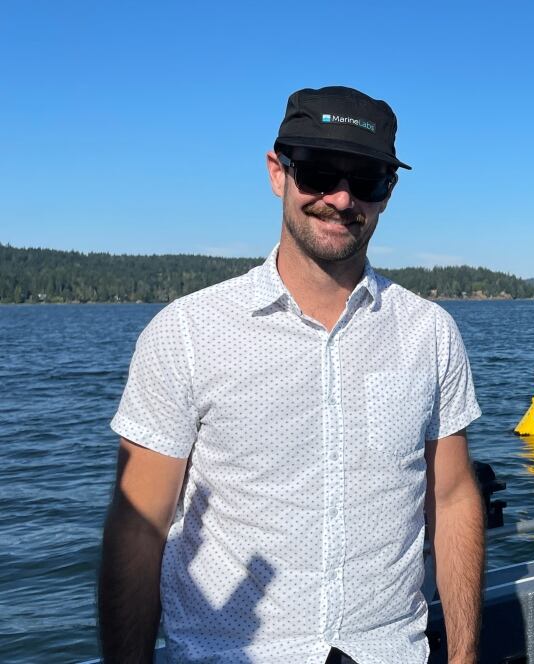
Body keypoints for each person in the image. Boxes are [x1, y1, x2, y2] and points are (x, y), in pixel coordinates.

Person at [98, 86, 485, 664]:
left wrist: (464, 655)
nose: (342, 198)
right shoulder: (185, 332)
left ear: (389, 192)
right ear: (277, 171)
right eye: (319, 172)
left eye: (367, 179)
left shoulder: (430, 332)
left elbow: (452, 499)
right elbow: (139, 527)